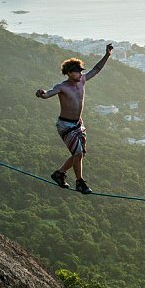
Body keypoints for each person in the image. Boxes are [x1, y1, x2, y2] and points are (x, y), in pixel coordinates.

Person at [35, 43, 114, 194]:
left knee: (80, 154)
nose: (80, 74)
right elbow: (47, 94)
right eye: (77, 72)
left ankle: (59, 174)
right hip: (65, 125)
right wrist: (41, 93)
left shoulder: (82, 81)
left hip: (78, 124)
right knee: (78, 154)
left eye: (80, 72)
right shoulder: (62, 87)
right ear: (69, 73)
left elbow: (96, 70)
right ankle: (80, 182)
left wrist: (107, 55)